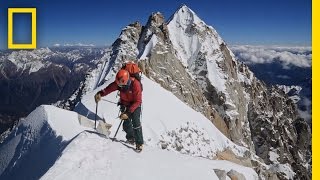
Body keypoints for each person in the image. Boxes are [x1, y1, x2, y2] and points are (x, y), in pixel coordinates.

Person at [94, 69, 144, 151]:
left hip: (135, 105)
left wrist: (128, 113)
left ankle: (139, 143)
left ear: (126, 81)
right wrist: (100, 94)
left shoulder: (136, 84)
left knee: (136, 122)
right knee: (126, 124)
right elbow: (109, 88)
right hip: (124, 103)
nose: (119, 87)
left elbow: (138, 101)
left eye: (121, 85)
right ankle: (131, 138)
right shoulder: (119, 82)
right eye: (118, 85)